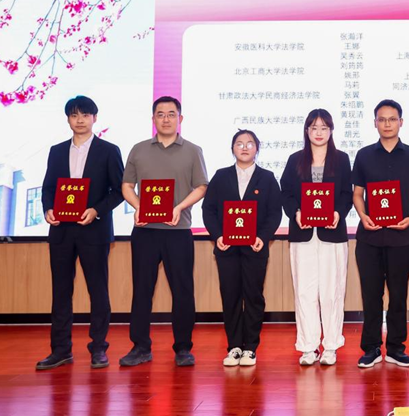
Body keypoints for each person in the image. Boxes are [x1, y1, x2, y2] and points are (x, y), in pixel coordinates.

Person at [119, 96, 209, 367]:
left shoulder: (193, 150)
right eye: (160, 114)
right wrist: (138, 207)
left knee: (183, 290)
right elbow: (126, 186)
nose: (166, 119)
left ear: (180, 119)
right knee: (142, 290)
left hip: (178, 230)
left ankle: (183, 348)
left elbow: (201, 186)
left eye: (171, 114)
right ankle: (140, 347)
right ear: (153, 119)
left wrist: (179, 207)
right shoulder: (138, 150)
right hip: (145, 231)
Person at [37, 95, 124, 370]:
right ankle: (60, 350)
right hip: (61, 231)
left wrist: (96, 211)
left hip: (94, 231)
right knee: (61, 292)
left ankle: (98, 348)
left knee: (98, 290)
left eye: (85, 115)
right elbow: (48, 188)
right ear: (68, 119)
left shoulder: (108, 150)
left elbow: (118, 191)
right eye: (74, 115)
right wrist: (48, 209)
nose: (80, 120)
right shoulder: (56, 151)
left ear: (94, 118)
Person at [352, 99, 409, 369]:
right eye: (382, 119)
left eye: (392, 119)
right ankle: (371, 348)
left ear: (401, 122)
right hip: (369, 238)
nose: (387, 124)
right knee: (371, 295)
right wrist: (363, 215)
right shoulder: (363, 155)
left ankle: (396, 348)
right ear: (375, 123)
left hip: (401, 238)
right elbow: (357, 194)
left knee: (398, 295)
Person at [202, 129, 282, 367]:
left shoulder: (267, 178)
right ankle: (234, 346)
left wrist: (263, 237)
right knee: (231, 296)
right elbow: (209, 210)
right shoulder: (221, 176)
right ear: (232, 148)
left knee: (253, 296)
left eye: (249, 143)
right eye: (239, 143)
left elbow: (274, 212)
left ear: (257, 148)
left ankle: (250, 348)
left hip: (254, 248)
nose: (245, 147)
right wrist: (217, 236)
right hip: (227, 248)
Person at [280, 109, 353, 366]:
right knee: (304, 291)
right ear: (307, 131)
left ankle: (331, 346)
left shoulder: (341, 159)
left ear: (331, 131)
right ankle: (308, 346)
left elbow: (347, 194)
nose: (319, 133)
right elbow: (286, 193)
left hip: (332, 233)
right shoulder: (295, 160)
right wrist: (296, 212)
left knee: (332, 292)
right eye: (314, 128)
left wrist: (338, 213)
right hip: (303, 234)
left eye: (324, 128)